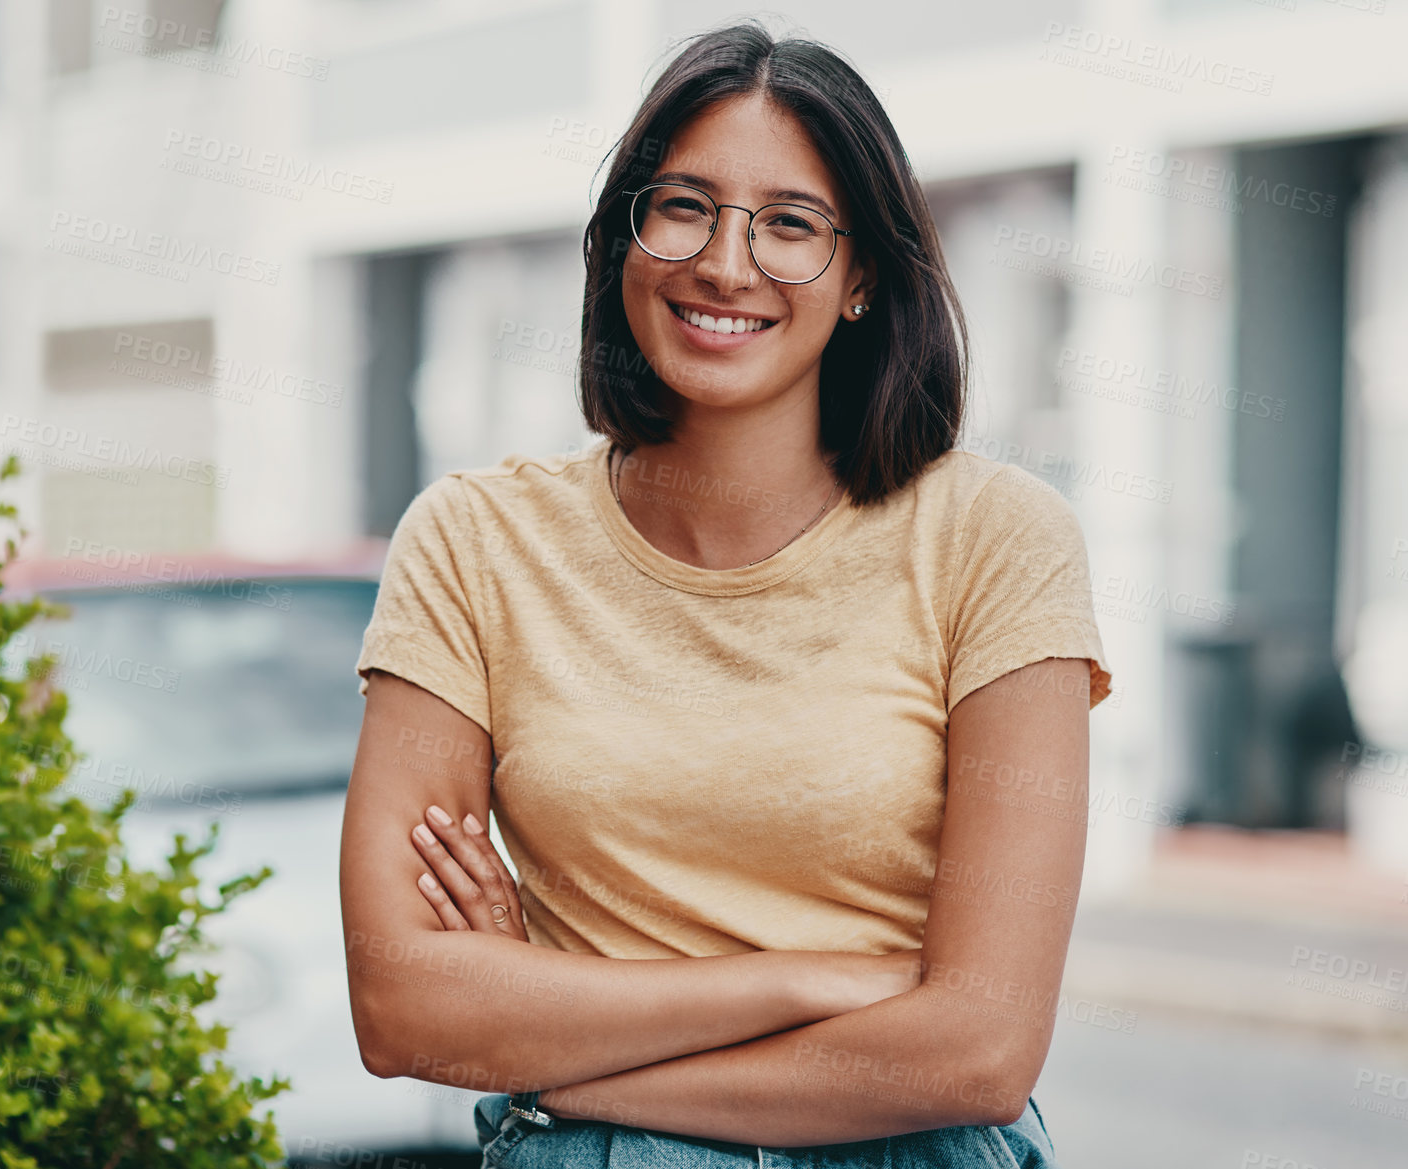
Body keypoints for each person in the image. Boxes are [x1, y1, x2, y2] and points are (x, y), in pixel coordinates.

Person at [340, 20, 1111, 1167]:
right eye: (685, 205)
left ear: (862, 279)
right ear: (623, 241)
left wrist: (549, 1041)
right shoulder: (474, 541)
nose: (726, 264)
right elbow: (406, 1007)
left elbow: (980, 1050)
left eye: (792, 224)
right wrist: (811, 979)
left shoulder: (997, 540)